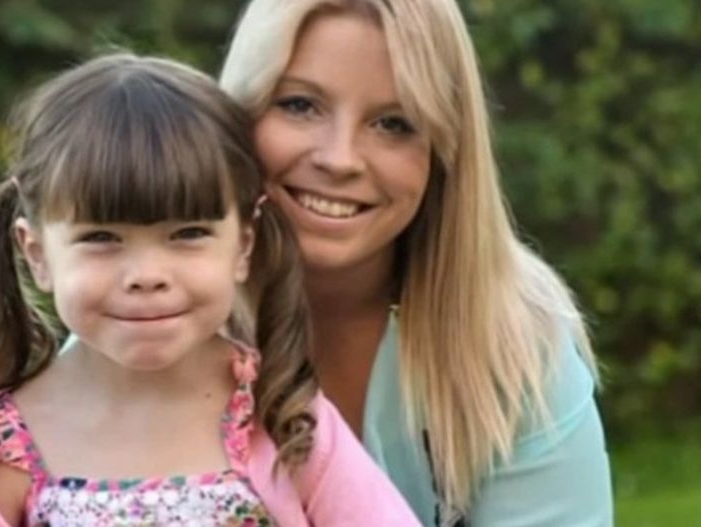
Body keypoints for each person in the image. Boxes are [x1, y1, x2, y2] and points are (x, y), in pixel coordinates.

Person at [0, 53, 419, 526]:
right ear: (37, 254)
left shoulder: (283, 414)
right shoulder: (4, 444)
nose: (147, 275)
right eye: (102, 238)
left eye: (187, 234)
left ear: (242, 245)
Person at [220, 0, 613, 525]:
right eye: (299, 105)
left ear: (444, 153)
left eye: (393, 123)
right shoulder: (144, 318)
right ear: (237, 116)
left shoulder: (517, 342)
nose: (340, 159)